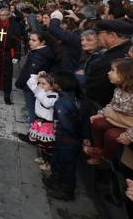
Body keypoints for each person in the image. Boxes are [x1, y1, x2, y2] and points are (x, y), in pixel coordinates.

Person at [85, 58, 133, 165]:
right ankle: (98, 150)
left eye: (112, 70)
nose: (108, 73)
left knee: (111, 135)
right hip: (119, 121)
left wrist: (130, 136)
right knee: (97, 123)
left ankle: (104, 155)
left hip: (131, 126)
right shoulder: (118, 90)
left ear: (124, 75)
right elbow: (112, 105)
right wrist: (102, 113)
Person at [43, 71, 82, 201]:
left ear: (58, 85)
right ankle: (55, 182)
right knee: (57, 161)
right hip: (69, 139)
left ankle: (66, 191)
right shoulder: (74, 96)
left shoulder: (62, 102)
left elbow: (66, 124)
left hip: (66, 139)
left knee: (66, 166)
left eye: (53, 81)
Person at [85, 19, 133, 108]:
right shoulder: (128, 50)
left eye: (98, 33)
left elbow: (95, 93)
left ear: (112, 36)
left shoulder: (111, 61)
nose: (96, 37)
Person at [0, 8, 23, 104]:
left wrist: (17, 56)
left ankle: (7, 95)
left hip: (6, 54)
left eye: (4, 15)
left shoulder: (14, 26)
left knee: (7, 75)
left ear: (9, 15)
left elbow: (17, 42)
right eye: (0, 15)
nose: (2, 17)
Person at [15, 31, 55, 122]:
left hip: (31, 85)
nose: (30, 42)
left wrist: (20, 82)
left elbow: (30, 72)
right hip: (34, 85)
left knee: (31, 107)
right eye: (30, 39)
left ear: (42, 42)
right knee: (33, 107)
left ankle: (33, 130)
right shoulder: (40, 52)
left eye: (34, 40)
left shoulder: (39, 55)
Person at [25, 72, 58, 166]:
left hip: (47, 124)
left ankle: (49, 163)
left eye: (44, 84)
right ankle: (43, 158)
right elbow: (30, 83)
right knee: (41, 143)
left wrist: (39, 91)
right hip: (39, 121)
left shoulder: (53, 95)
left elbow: (47, 103)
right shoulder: (41, 91)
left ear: (52, 86)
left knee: (48, 145)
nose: (40, 86)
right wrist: (37, 77)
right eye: (40, 83)